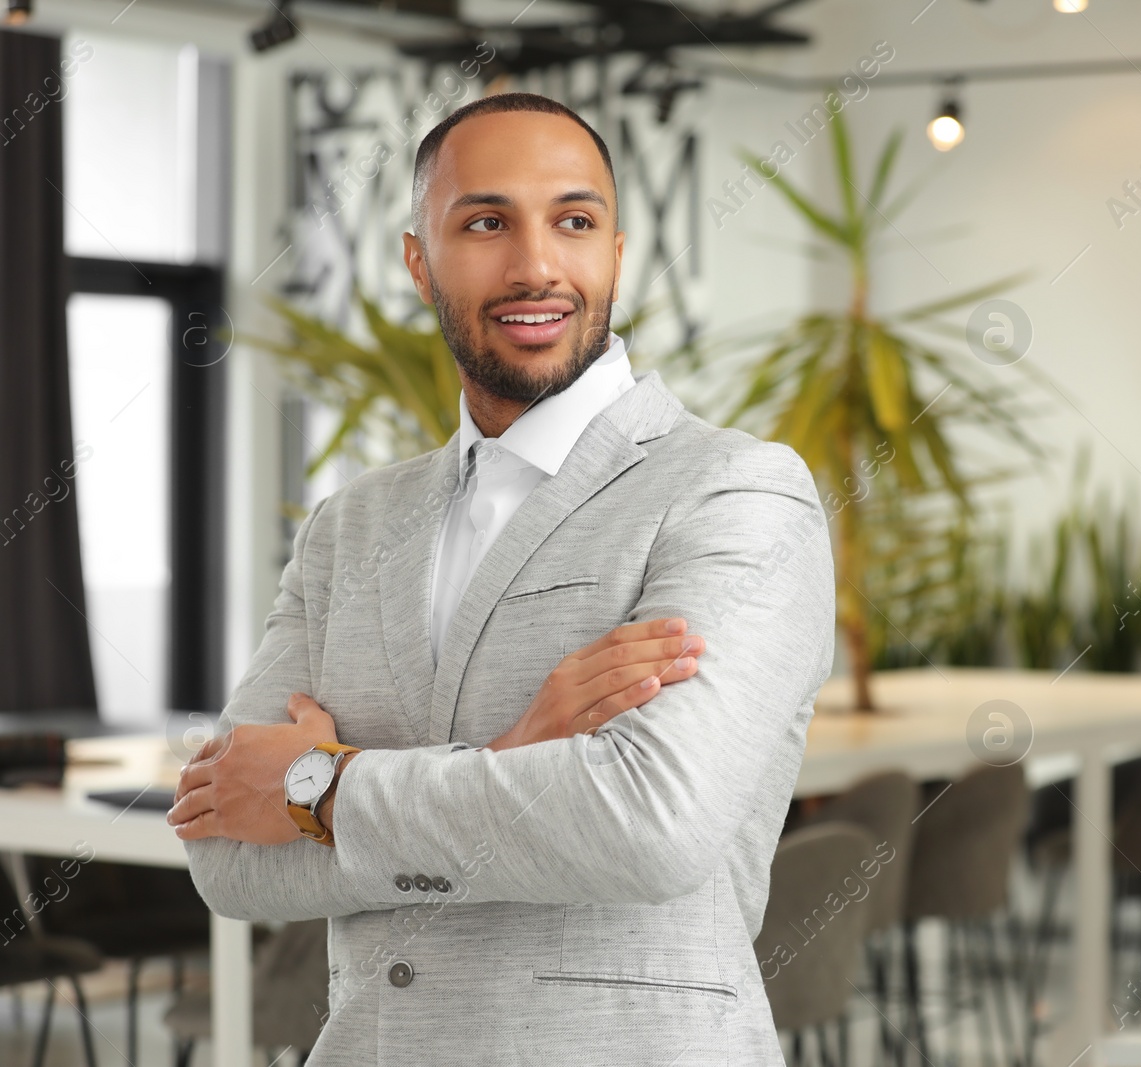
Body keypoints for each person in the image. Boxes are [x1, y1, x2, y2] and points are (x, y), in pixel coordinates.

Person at [167, 92, 834, 1065]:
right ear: (417, 259)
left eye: (574, 221)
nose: (535, 265)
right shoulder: (351, 525)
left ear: (614, 250)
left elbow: (650, 826)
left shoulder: (734, 491)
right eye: (485, 222)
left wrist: (319, 786)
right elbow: (226, 855)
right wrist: (513, 754)